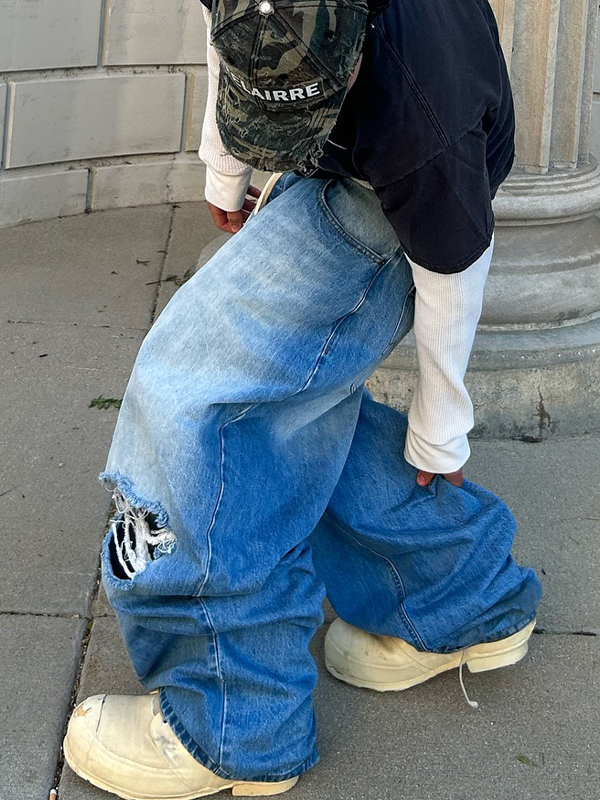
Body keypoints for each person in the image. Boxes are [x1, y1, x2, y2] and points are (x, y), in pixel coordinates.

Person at [63, 0, 542, 797]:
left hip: (383, 197)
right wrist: (230, 163)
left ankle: (231, 719)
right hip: (348, 146)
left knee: (193, 396)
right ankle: (453, 594)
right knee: (283, 407)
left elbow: (454, 268)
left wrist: (441, 429)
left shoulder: (424, 116)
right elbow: (229, 30)